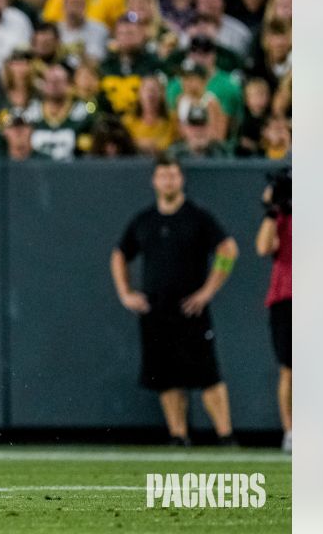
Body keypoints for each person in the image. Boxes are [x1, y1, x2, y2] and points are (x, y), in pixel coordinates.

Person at [111, 154, 239, 446]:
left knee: (208, 375)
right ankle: (178, 434)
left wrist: (207, 291)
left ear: (182, 179)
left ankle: (225, 435)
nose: (168, 181)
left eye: (173, 175)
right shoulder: (144, 220)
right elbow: (119, 254)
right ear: (154, 180)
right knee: (165, 377)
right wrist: (125, 293)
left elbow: (228, 250)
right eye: (163, 175)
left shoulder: (197, 217)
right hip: (156, 309)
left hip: (191, 309)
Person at [256, 167, 292, 453]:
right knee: (290, 368)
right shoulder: (281, 214)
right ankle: (291, 431)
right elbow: (263, 247)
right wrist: (272, 209)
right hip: (286, 296)